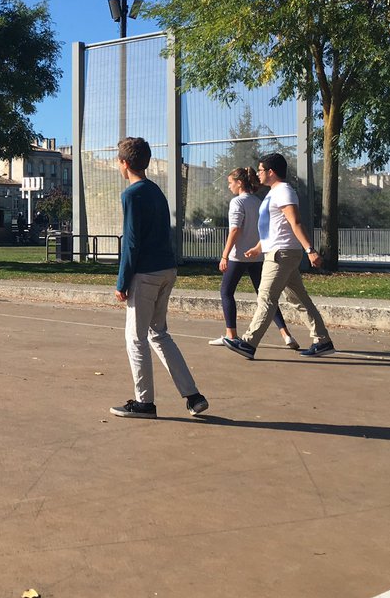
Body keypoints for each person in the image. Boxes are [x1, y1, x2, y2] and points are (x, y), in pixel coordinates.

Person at [111, 137, 208, 418]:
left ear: (125, 164)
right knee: (158, 334)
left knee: (135, 338)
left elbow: (130, 242)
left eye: (119, 162)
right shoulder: (155, 191)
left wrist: (122, 282)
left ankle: (145, 403)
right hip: (167, 268)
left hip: (147, 274)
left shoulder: (131, 194)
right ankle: (193, 395)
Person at [223, 153, 335, 359]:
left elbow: (295, 222)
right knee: (297, 298)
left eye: (261, 170)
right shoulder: (273, 193)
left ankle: (248, 343)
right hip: (279, 250)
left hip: (281, 254)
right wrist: (258, 247)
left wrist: (310, 250)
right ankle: (323, 340)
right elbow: (273, 227)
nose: (258, 173)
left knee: (266, 297)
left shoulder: (283, 191)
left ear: (271, 172)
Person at [209, 167, 299, 351]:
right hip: (258, 256)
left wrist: (225, 255)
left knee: (226, 292)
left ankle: (231, 335)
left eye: (230, 183)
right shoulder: (259, 201)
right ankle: (286, 334)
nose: (229, 187)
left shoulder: (238, 202)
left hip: (238, 256)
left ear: (239, 183)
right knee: (266, 297)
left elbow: (235, 229)